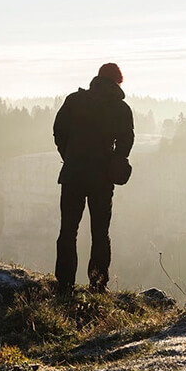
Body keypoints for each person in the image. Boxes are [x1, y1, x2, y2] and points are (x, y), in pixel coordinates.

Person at [53, 63, 134, 294]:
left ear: (97, 79)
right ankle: (98, 286)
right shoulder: (120, 108)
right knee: (100, 232)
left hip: (72, 175)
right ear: (118, 82)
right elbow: (126, 140)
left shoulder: (74, 101)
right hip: (101, 178)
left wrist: (69, 155)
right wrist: (116, 159)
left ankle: (64, 285)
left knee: (68, 230)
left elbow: (59, 131)